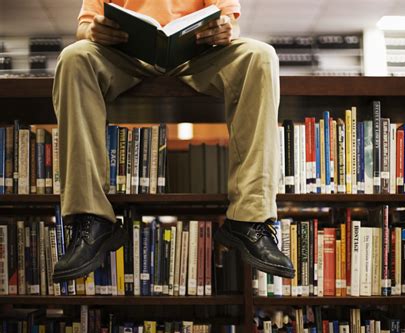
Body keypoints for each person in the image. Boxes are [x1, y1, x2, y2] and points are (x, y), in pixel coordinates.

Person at [52, 0, 295, 283]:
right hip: (124, 56)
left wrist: (226, 30)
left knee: (261, 56)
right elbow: (85, 25)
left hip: (198, 56)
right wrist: (93, 32)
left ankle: (250, 219)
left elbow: (229, 20)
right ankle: (91, 219)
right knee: (73, 58)